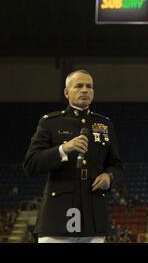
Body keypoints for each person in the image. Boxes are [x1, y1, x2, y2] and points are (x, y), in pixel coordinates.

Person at [23, 70, 124, 243]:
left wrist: (109, 176)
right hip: (57, 215)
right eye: (79, 86)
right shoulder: (50, 123)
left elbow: (116, 165)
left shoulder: (105, 124)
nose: (85, 90)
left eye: (89, 86)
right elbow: (31, 165)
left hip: (93, 214)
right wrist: (63, 149)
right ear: (66, 92)